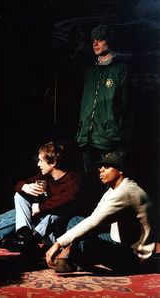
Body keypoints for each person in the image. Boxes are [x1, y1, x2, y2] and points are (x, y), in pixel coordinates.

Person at [46, 149, 156, 273]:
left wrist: (58, 244)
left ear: (120, 170)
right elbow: (94, 218)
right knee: (76, 221)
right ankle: (72, 258)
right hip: (119, 240)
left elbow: (94, 222)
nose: (101, 169)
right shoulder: (112, 189)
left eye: (107, 166)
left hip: (135, 258)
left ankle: (71, 259)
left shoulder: (126, 191)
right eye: (101, 166)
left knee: (85, 245)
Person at [76, 24, 133, 176]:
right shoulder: (90, 71)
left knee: (110, 184)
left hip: (109, 139)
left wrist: (120, 133)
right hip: (87, 138)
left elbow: (128, 106)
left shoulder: (121, 69)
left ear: (110, 41)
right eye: (93, 40)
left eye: (100, 40)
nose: (95, 43)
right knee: (90, 182)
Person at [14, 141, 82, 254]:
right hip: (42, 229)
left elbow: (70, 196)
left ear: (53, 162)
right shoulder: (44, 176)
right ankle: (25, 235)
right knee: (19, 195)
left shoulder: (72, 178)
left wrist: (41, 207)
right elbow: (18, 185)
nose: (38, 164)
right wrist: (25, 186)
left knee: (61, 210)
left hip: (61, 233)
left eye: (41, 161)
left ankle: (31, 240)